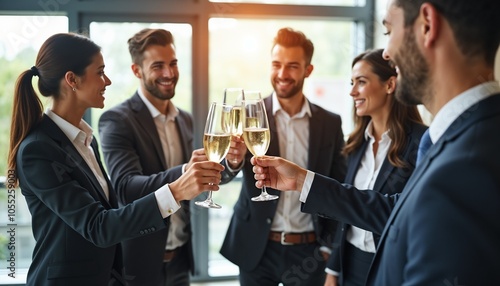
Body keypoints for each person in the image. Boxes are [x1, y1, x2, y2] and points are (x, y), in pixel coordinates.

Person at [252, 0, 500, 285]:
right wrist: (302, 180)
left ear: (427, 25)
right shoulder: (459, 138)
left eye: (388, 31)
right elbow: (393, 211)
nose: (387, 52)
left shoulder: (469, 160)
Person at [7, 32, 224, 286]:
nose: (107, 81)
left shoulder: (86, 140)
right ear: (72, 80)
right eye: (100, 72)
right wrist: (175, 191)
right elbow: (98, 226)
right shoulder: (38, 150)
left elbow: (110, 212)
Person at [98, 28, 245, 286]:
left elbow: (201, 178)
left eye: (173, 64)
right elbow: (126, 188)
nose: (169, 73)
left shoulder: (184, 119)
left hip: (180, 262)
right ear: (137, 71)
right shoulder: (117, 120)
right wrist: (185, 172)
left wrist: (232, 162)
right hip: (137, 265)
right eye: (158, 66)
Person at [220, 27, 347, 286]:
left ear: (308, 70)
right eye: (276, 64)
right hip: (257, 248)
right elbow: (221, 174)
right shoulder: (249, 115)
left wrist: (328, 248)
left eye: (292, 66)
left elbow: (339, 185)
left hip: (309, 251)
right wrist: (233, 160)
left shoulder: (330, 123)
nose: (282, 74)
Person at [323, 49, 426, 286]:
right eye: (352, 82)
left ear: (390, 85)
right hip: (350, 265)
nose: (352, 91)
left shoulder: (422, 143)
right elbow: (347, 209)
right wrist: (333, 271)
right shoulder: (355, 144)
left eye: (361, 82)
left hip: (394, 268)